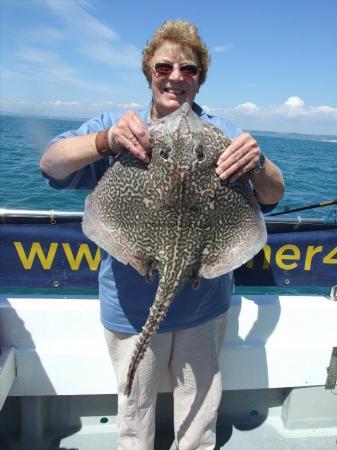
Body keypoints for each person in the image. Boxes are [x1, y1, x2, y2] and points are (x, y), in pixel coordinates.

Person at [40, 19, 284, 450]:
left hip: (205, 305)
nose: (175, 76)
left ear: (199, 79)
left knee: (199, 411)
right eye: (164, 67)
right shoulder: (120, 126)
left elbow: (272, 194)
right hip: (130, 307)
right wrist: (105, 141)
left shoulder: (222, 133)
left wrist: (258, 162)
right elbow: (52, 164)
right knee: (135, 416)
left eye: (188, 69)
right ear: (149, 72)